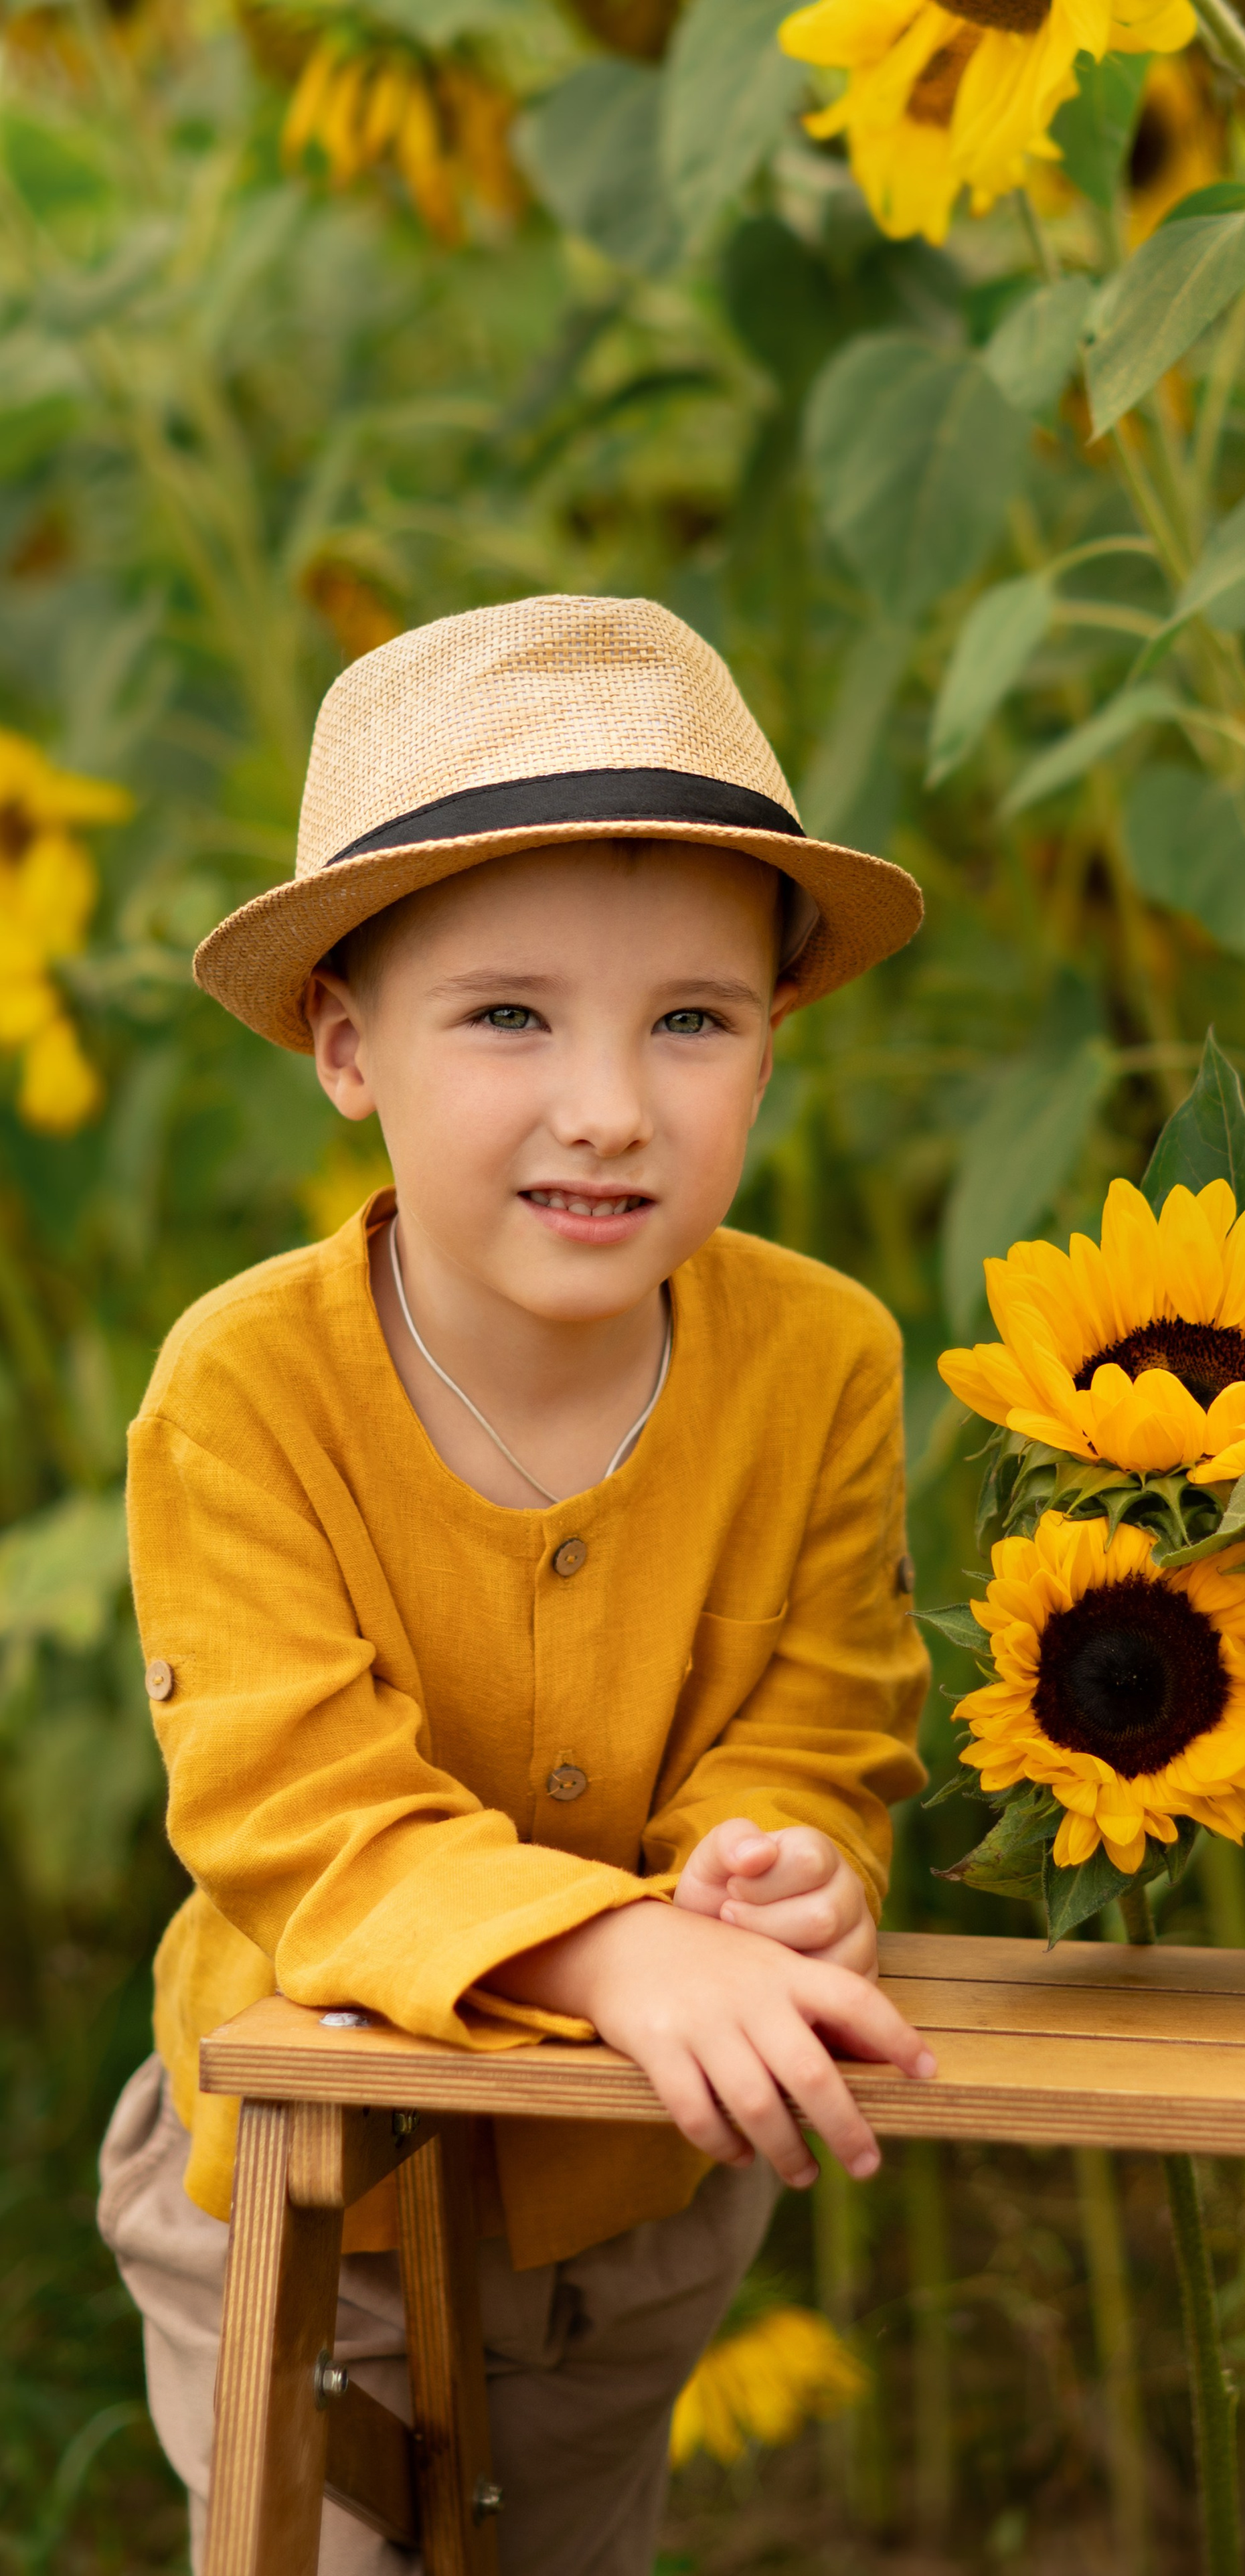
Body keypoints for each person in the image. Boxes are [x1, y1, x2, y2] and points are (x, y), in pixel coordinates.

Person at [96, 594, 936, 2575]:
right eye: (509, 1016)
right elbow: (294, 1809)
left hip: (633, 2191)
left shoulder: (820, 1362)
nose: (612, 1106)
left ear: (773, 1042)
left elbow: (828, 1712)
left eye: (692, 1021)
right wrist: (615, 1952)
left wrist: (775, 1862)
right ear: (345, 1045)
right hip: (307, 2198)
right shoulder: (247, 1389)